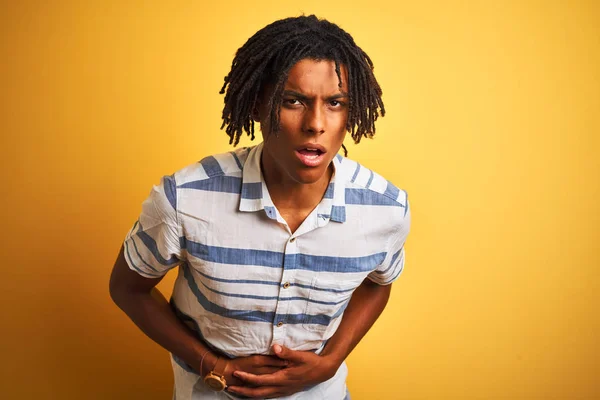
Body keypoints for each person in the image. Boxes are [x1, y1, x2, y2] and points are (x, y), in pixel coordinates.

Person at [109, 15, 411, 400]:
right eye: (293, 101)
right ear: (257, 105)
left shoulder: (386, 209)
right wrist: (214, 366)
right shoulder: (184, 199)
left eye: (335, 103)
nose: (315, 123)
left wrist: (332, 359)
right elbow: (127, 288)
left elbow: (378, 283)